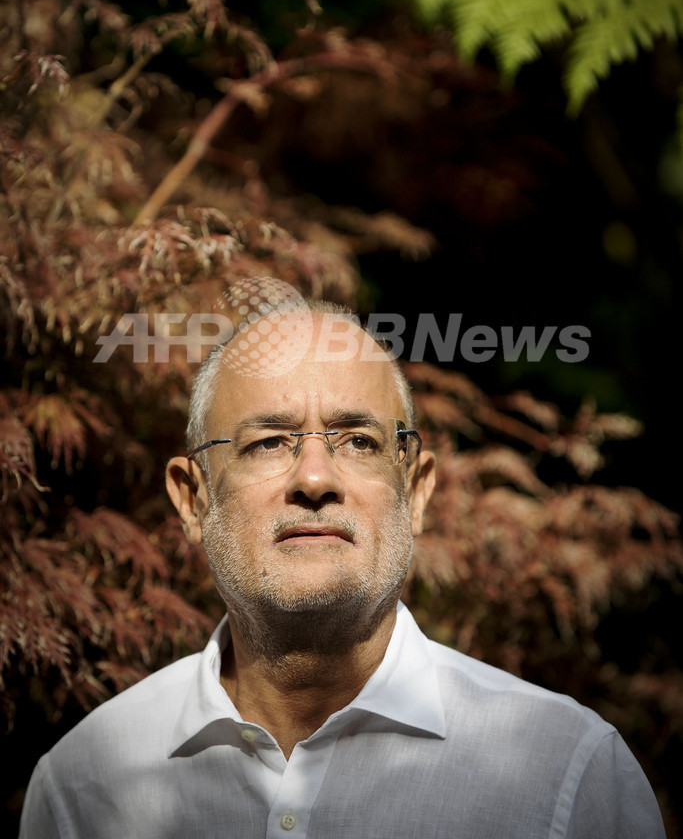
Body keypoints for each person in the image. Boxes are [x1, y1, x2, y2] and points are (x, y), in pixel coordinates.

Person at [20, 300, 666, 838]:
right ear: (194, 498)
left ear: (415, 491)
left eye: (358, 441)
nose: (314, 478)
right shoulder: (84, 783)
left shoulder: (567, 776)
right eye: (267, 441)